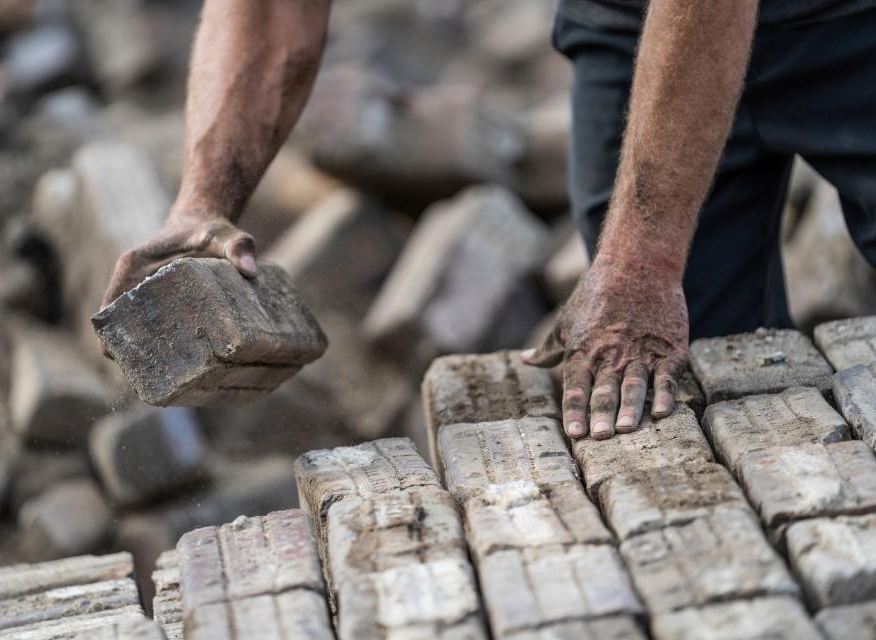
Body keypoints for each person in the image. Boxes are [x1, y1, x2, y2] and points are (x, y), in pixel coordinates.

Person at [101, 0, 876, 441]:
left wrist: (641, 263)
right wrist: (203, 203)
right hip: (633, 23)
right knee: (682, 382)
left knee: (641, 298)